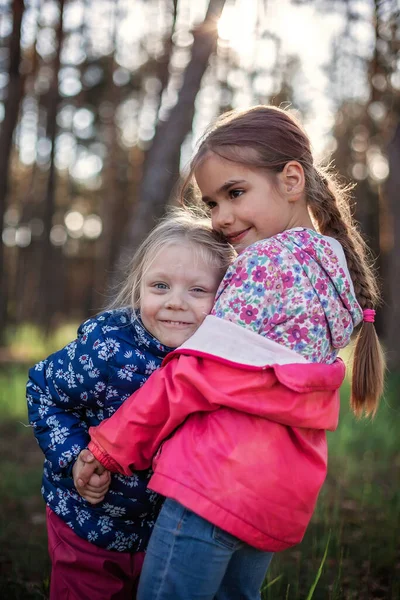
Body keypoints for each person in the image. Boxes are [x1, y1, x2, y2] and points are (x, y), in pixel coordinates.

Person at [75, 105, 385, 600]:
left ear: (291, 179)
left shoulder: (262, 265)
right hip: (277, 492)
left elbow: (191, 377)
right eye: (211, 203)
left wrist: (109, 447)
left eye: (235, 193)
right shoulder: (333, 265)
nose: (221, 218)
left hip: (213, 481)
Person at [26, 209, 236, 600]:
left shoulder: (218, 362)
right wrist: (74, 457)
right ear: (139, 287)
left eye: (197, 290)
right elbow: (43, 389)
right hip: (86, 520)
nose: (175, 303)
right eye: (160, 286)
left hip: (161, 532)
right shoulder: (107, 351)